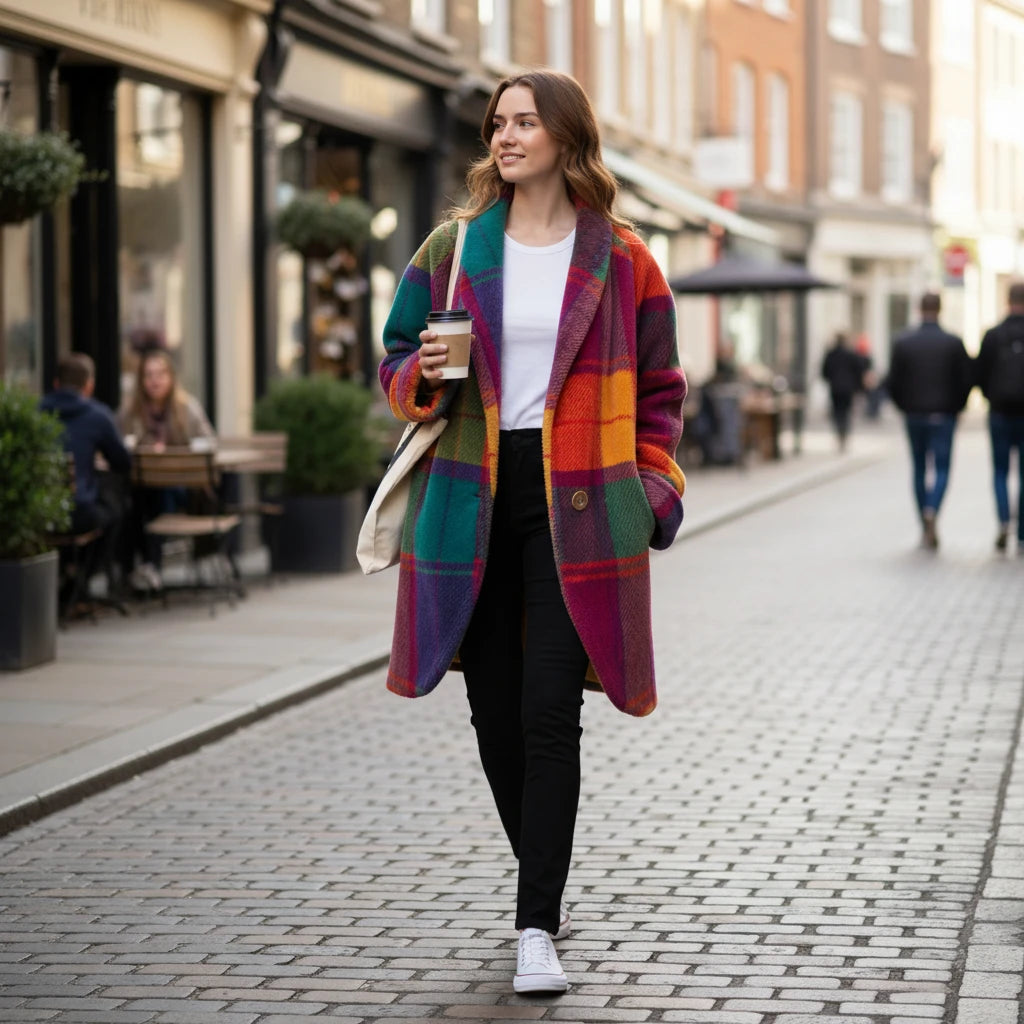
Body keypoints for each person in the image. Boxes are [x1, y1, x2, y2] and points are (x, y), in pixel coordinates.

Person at [378, 70, 686, 995]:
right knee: (495, 713)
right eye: (497, 123)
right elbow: (394, 356)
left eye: (524, 121)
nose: (505, 136)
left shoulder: (624, 258)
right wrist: (422, 374)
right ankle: (542, 872)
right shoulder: (455, 246)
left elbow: (664, 394)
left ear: (564, 135)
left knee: (553, 709)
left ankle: (534, 925)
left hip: (582, 499)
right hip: (471, 492)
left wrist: (650, 490)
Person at [117, 348, 215, 590]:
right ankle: (141, 568)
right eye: (149, 375)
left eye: (160, 373)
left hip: (181, 488)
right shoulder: (130, 411)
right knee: (134, 500)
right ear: (141, 380)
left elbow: (209, 442)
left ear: (171, 377)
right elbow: (117, 444)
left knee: (159, 493)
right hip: (139, 488)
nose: (155, 380)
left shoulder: (187, 408)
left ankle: (151, 566)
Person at [884, 292, 973, 550]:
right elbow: (966, 379)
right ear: (940, 309)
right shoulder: (953, 342)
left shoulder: (904, 342)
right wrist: (958, 407)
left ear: (918, 308)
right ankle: (933, 508)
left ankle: (924, 519)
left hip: (915, 415)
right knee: (942, 468)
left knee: (919, 468)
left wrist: (904, 406)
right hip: (944, 415)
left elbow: (892, 382)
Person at [39, 353, 131, 601]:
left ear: (56, 383)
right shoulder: (97, 415)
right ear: (88, 386)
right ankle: (80, 582)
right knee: (115, 510)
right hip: (78, 514)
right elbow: (122, 462)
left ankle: (67, 578)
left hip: (37, 514)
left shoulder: (35, 411)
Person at [975, 281, 1024, 553]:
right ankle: (1023, 532)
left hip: (1000, 413)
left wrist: (990, 396)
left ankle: (1004, 521)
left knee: (1001, 472)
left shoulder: (993, 335)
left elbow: (979, 373)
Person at [820, 331, 868, 451]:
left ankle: (839, 433)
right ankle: (844, 434)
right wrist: (858, 387)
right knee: (846, 412)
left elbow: (824, 372)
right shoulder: (850, 354)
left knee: (837, 412)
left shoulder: (831, 354)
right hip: (848, 388)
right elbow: (859, 371)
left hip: (835, 388)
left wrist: (831, 379)